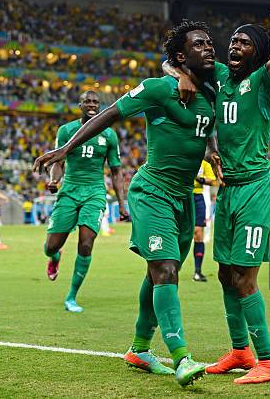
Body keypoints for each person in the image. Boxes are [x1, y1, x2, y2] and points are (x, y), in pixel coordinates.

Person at [33, 20, 218, 387]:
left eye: (210, 42)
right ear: (181, 56)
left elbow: (207, 129)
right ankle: (182, 357)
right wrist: (65, 148)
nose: (210, 48)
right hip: (152, 193)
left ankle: (139, 349)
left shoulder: (212, 91)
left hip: (183, 196)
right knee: (165, 270)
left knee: (160, 274)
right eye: (200, 44)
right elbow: (109, 115)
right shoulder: (156, 89)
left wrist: (213, 152)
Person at [166, 4, 270, 384]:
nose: (234, 46)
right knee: (224, 274)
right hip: (229, 192)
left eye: (244, 42)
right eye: (232, 40)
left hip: (255, 190)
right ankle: (240, 351)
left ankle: (268, 362)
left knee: (245, 279)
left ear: (258, 50)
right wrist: (178, 75)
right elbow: (170, 59)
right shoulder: (220, 77)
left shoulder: (265, 83)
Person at [43, 91, 127, 313]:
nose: (92, 105)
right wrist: (53, 180)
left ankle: (71, 296)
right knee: (50, 246)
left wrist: (122, 203)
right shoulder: (66, 131)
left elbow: (116, 171)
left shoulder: (109, 135)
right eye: (88, 101)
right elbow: (59, 161)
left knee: (86, 243)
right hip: (69, 190)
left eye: (96, 102)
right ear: (80, 105)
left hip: (95, 193)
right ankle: (55, 256)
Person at [192, 159, 217, 282]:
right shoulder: (182, 157)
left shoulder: (204, 163)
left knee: (198, 234)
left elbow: (213, 181)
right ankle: (172, 267)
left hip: (197, 197)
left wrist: (199, 179)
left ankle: (197, 271)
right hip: (182, 196)